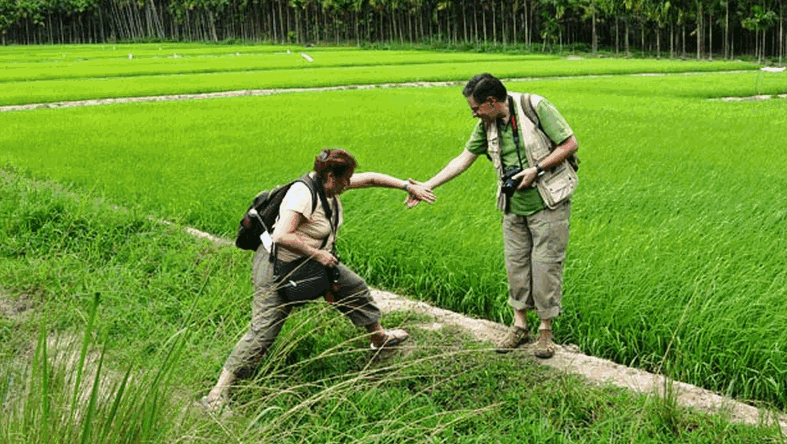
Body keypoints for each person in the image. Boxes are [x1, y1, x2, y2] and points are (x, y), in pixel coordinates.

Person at [203, 148, 435, 409]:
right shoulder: (303, 195)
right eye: (345, 179)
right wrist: (318, 254)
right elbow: (282, 235)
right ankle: (218, 391)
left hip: (309, 262)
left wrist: (407, 186)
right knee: (263, 332)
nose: (349, 184)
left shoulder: (331, 184)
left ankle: (379, 339)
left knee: (354, 288)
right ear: (328, 176)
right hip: (275, 268)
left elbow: (369, 179)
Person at [409, 73, 578, 359]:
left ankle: (545, 332)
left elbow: (569, 144)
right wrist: (426, 185)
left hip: (548, 201)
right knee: (516, 265)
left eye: (475, 108)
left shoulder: (534, 106)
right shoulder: (486, 125)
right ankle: (519, 326)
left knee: (545, 265)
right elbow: (463, 159)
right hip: (512, 204)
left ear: (490, 102)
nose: (473, 114)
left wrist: (536, 170)